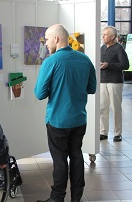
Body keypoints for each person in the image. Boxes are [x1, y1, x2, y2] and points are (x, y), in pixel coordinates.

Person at [34, 24, 96, 202]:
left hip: (58, 121)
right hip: (79, 119)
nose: (45, 43)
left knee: (60, 160)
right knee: (76, 156)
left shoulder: (51, 62)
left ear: (56, 39)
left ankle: (57, 198)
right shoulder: (84, 59)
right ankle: (76, 197)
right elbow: (91, 88)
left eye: (47, 39)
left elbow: (39, 94)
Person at [100, 26, 129, 142]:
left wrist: (109, 65)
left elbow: (125, 65)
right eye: (103, 34)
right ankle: (103, 132)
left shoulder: (119, 48)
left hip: (115, 82)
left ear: (112, 37)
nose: (103, 36)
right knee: (102, 108)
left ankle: (117, 133)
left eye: (105, 35)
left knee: (115, 108)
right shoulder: (102, 48)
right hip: (102, 81)